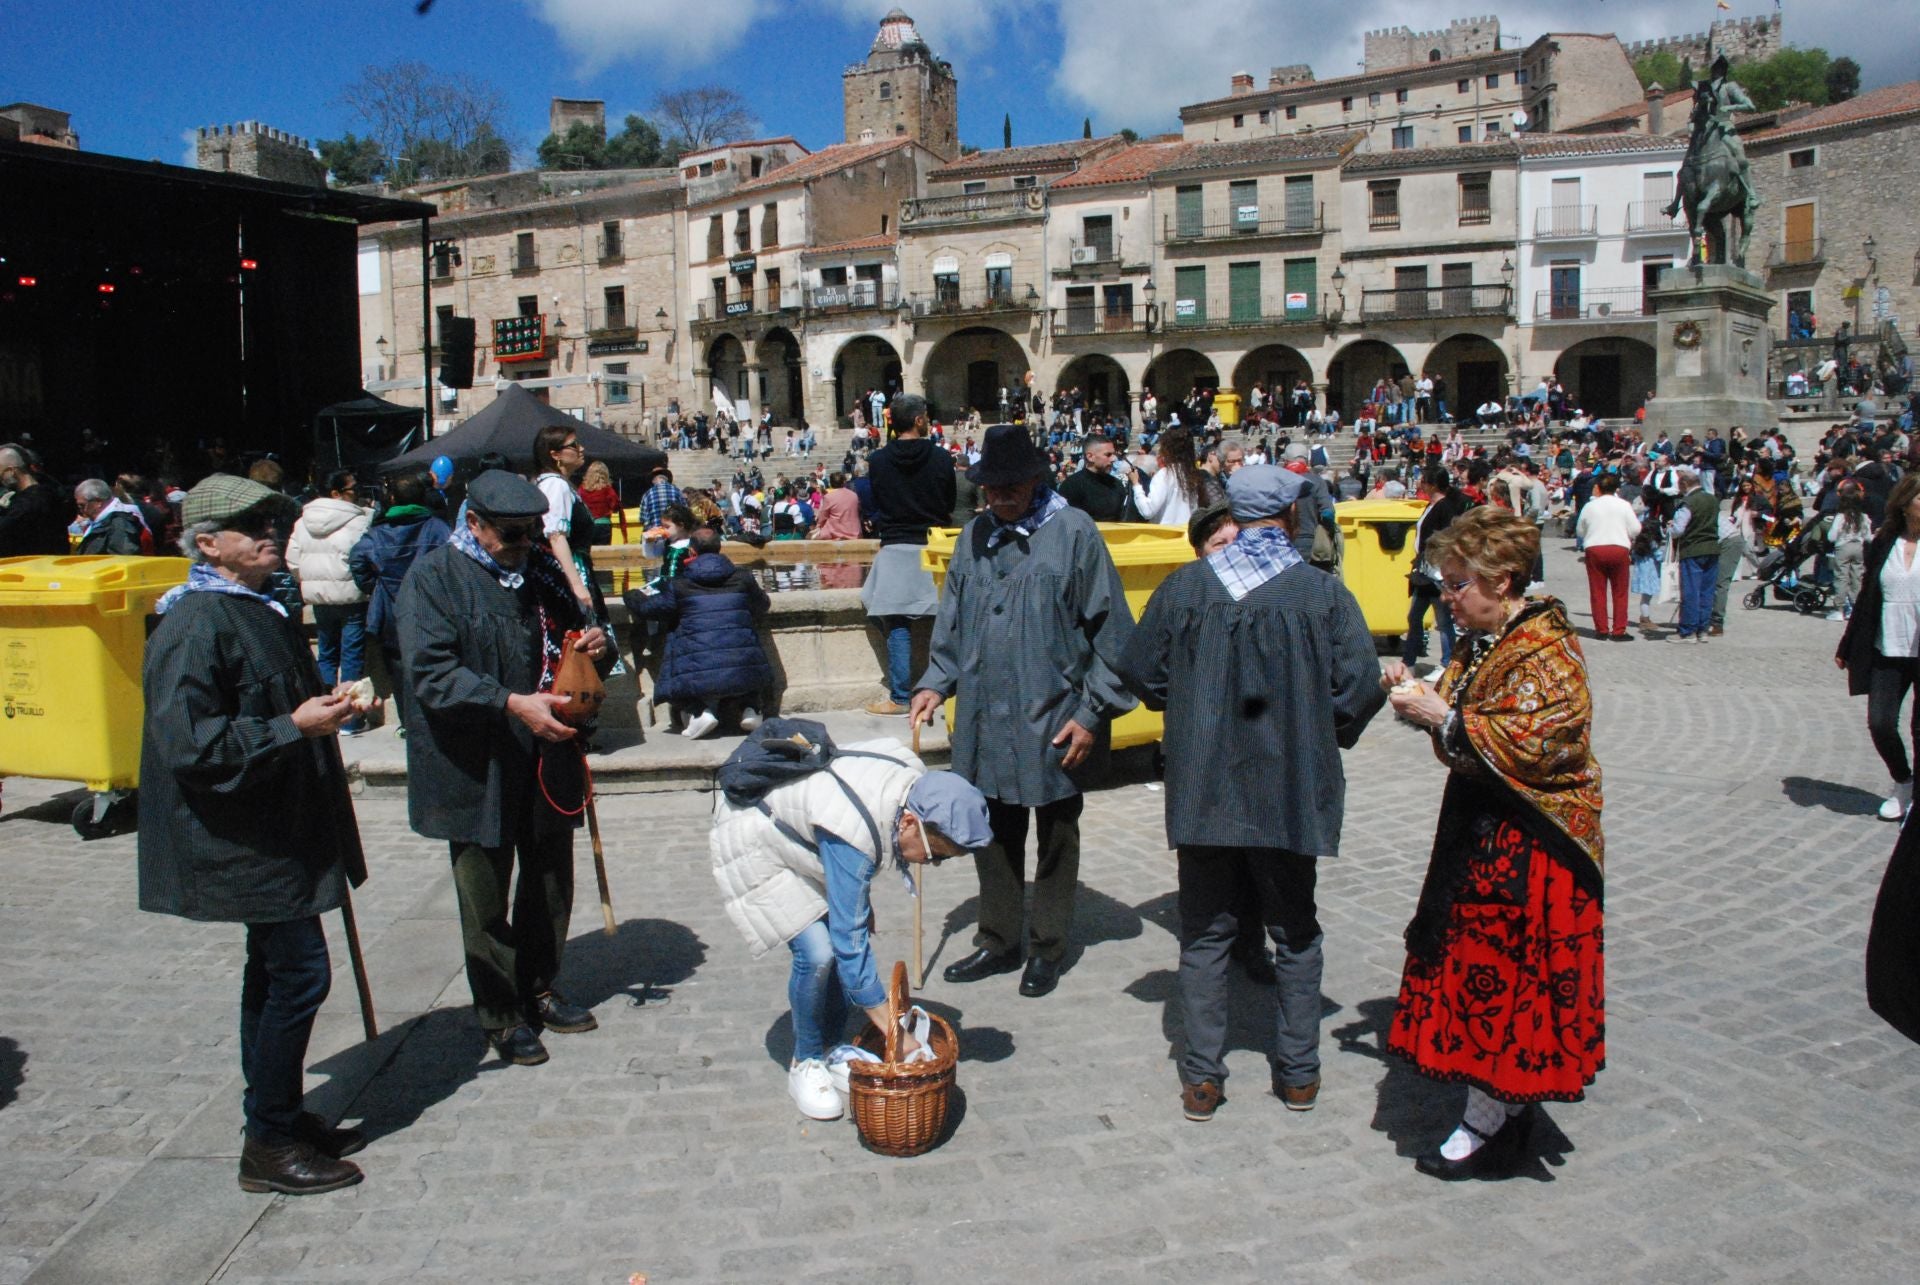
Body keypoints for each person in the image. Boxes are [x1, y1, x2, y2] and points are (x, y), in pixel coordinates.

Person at [1119, 465, 1384, 1121]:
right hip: (1289, 787)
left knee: (1205, 934)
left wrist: (1185, 701)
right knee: (1294, 931)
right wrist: (1322, 733)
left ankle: (1202, 1079)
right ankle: (1298, 1073)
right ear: (1292, 517)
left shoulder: (1185, 588)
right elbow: (1360, 687)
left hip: (1205, 786)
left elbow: (1137, 670)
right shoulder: (1321, 594)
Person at [137, 474, 371, 1195]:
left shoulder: (252, 607)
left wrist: (321, 708)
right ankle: (268, 1139)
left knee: (273, 972)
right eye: (251, 528)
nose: (271, 535)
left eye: (273, 523)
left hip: (278, 826)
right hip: (248, 838)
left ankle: (274, 1114)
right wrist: (290, 726)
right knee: (299, 974)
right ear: (208, 544)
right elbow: (188, 743)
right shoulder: (196, 621)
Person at [1382, 506, 1605, 1179]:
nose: (1448, 597)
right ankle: (1497, 1106)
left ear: (1502, 581)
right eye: (1446, 584)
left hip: (1534, 839)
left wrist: (1444, 715)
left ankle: (1493, 1116)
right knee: (1481, 969)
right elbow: (1458, 710)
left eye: (1458, 584)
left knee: (1511, 977)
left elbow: (1544, 742)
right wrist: (1416, 692)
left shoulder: (1547, 645)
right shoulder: (1481, 638)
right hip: (1482, 828)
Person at [910, 425, 1138, 999]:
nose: (1001, 498)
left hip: (1057, 712)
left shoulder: (1074, 533)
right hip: (989, 715)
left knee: (1057, 832)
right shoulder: (974, 537)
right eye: (992, 489)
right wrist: (937, 682)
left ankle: (1047, 946)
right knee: (991, 830)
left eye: (1012, 487)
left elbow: (1113, 636)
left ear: (1037, 480)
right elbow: (953, 622)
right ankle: (998, 940)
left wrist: (1091, 714)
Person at [396, 471, 611, 1067]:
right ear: (474, 525)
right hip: (476, 762)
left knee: (548, 881)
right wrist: (511, 702)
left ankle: (539, 987)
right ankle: (499, 1012)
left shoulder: (541, 571)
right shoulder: (434, 579)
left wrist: (596, 647)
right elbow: (430, 673)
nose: (525, 543)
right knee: (484, 895)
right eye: (511, 534)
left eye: (533, 532)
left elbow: (584, 642)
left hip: (546, 755)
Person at [711, 740, 990, 1119]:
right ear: (910, 822)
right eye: (935, 855)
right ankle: (805, 1061)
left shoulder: (911, 785)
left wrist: (858, 901)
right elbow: (850, 939)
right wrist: (895, 1034)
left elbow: (858, 835)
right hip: (758, 835)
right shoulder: (855, 833)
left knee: (847, 931)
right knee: (819, 952)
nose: (932, 863)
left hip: (810, 833)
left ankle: (829, 1045)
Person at [626, 527, 773, 739]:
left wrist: (632, 596)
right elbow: (762, 605)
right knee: (742, 642)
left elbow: (651, 609)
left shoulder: (679, 584)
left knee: (676, 639)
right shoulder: (743, 578)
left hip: (697, 671)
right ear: (720, 548)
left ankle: (698, 711)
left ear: (692, 552)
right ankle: (752, 708)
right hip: (745, 669)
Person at [861, 393, 955, 717]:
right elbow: (948, 503)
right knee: (946, 622)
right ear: (918, 420)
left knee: (896, 622)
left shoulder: (878, 461)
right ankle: (946, 691)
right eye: (925, 416)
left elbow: (876, 502)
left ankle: (900, 696)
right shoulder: (942, 459)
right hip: (933, 544)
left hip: (895, 546)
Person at [1838, 473, 1920, 821]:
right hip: (1888, 645)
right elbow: (1868, 598)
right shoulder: (1884, 542)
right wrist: (1848, 644)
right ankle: (1903, 781)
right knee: (1881, 722)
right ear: (1905, 503)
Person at [349, 471, 452, 733]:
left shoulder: (378, 533)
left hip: (390, 612)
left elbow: (357, 560)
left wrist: (374, 586)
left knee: (398, 668)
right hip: (432, 608)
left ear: (391, 498)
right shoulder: (437, 528)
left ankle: (408, 724)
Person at [287, 470, 373, 735]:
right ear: (336, 493)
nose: (357, 493)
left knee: (326, 655)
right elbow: (365, 558)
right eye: (352, 489)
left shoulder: (303, 521)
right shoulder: (360, 520)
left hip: (320, 598)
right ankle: (351, 717)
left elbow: (292, 560)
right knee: (351, 657)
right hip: (351, 597)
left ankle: (325, 714)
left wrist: (311, 582)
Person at [1405, 466, 1474, 678]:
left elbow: (1448, 539)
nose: (1420, 484)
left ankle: (1447, 664)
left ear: (1432, 484)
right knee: (1414, 617)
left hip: (1436, 572)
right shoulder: (1431, 505)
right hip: (1423, 570)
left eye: (1423, 480)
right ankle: (1409, 662)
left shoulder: (1445, 507)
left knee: (1443, 620)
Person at [530, 426, 602, 623]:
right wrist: (577, 585)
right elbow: (556, 536)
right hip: (566, 574)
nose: (582, 449)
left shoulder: (557, 484)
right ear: (555, 454)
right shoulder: (555, 485)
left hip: (566, 572)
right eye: (574, 445)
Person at [1574, 471, 1640, 642]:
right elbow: (1636, 529)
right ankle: (1619, 630)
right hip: (1619, 547)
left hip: (1595, 548)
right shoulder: (1624, 505)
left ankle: (1601, 629)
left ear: (1598, 487)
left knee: (1597, 591)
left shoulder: (1590, 506)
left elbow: (1580, 530)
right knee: (1620, 592)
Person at [1669, 468, 1721, 642]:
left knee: (1691, 591)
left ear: (1684, 483)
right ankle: (1703, 629)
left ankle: (1688, 631)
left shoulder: (1688, 502)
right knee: (1707, 591)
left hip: (1693, 549)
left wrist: (1669, 527)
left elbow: (1678, 530)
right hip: (1712, 548)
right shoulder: (1712, 499)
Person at [1130, 425, 1214, 529]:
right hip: (1187, 536)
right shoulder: (1192, 474)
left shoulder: (1165, 474)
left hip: (1166, 537)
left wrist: (1136, 484)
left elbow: (1148, 511)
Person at [0, 443, 70, 556]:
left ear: (11, 471)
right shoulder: (54, 493)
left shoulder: (29, 503)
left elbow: (5, 531)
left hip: (31, 567)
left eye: (0, 473)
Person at [1057, 431, 1129, 522]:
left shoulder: (1117, 485)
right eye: (1108, 455)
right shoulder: (1071, 486)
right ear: (1090, 457)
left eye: (1114, 454)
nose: (1114, 459)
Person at [72, 477, 151, 554]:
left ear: (98, 502)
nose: (81, 511)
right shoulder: (101, 522)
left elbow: (122, 560)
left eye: (82, 506)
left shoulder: (120, 523)